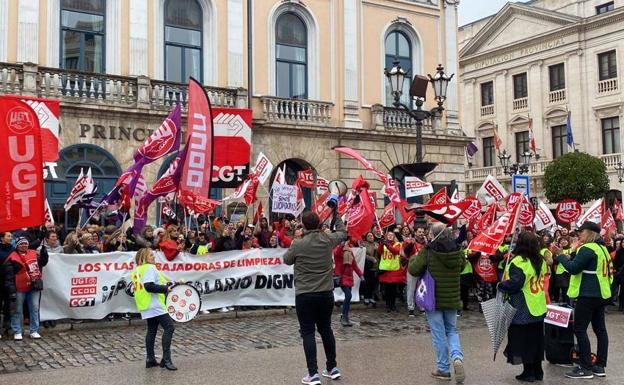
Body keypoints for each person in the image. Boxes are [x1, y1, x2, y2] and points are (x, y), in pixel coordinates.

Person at [284, 210, 347, 385]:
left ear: (303, 225)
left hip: (305, 294)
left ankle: (313, 373)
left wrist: (296, 241)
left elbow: (287, 260)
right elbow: (342, 233)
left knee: (308, 333)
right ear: (319, 224)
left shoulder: (298, 243)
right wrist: (336, 214)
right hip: (325, 293)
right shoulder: (327, 239)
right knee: (326, 330)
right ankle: (332, 367)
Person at [552, 221, 611, 379]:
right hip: (601, 294)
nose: (579, 234)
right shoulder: (602, 248)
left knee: (579, 329)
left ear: (590, 233)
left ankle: (585, 368)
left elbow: (572, 268)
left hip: (588, 294)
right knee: (600, 330)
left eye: (582, 231)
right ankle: (600, 366)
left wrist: (560, 255)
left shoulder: (587, 248)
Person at [408, 223, 465, 383]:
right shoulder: (457, 250)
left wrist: (416, 255)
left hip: (432, 298)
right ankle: (457, 356)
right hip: (452, 298)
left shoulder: (429, 251)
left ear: (435, 235)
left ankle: (443, 369)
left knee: (438, 334)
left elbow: (413, 269)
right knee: (452, 330)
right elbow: (462, 266)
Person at [498, 231, 547, 382]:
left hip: (523, 305)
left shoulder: (519, 262)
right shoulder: (540, 260)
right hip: (538, 304)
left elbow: (516, 284)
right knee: (536, 339)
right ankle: (538, 371)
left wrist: (501, 285)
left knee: (522, 340)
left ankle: (529, 372)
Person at [131, 248, 177, 370]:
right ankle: (166, 360)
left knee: (152, 330)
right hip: (154, 304)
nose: (154, 257)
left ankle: (150, 359)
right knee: (169, 327)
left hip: (145, 305)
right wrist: (165, 289)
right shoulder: (149, 268)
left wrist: (168, 285)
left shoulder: (137, 270)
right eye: (151, 255)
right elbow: (149, 286)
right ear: (144, 258)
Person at [3, 237, 48, 340]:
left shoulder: (33, 253)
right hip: (19, 288)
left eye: (25, 243)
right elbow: (9, 275)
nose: (24, 245)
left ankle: (34, 330)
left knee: (34, 309)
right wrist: (11, 289)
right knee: (17, 310)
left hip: (34, 286)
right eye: (21, 244)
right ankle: (17, 331)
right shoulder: (12, 257)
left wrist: (44, 254)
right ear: (17, 245)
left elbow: (42, 263)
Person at [333, 241, 363, 327]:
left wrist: (361, 275)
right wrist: (341, 245)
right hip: (342, 277)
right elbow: (336, 253)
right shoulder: (338, 250)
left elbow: (355, 265)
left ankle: (345, 317)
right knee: (349, 295)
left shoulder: (350, 252)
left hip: (349, 278)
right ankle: (344, 317)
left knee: (348, 297)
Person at [377, 231, 403, 313]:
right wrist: (381, 243)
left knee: (394, 289)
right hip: (385, 270)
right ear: (386, 236)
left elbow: (395, 251)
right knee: (387, 289)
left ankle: (393, 305)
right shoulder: (384, 244)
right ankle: (388, 305)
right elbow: (379, 251)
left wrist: (387, 245)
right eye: (389, 235)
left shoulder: (397, 244)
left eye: (392, 235)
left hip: (394, 269)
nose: (390, 236)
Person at [0, 232, 14, 337]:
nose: (10, 238)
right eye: (8, 236)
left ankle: (7, 326)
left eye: (11, 236)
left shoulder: (13, 249)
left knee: (8, 306)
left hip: (9, 281)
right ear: (2, 238)